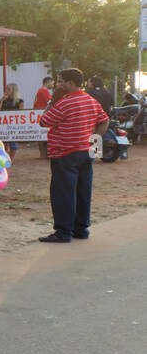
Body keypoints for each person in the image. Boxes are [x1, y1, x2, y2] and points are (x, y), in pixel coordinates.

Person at [37, 69, 110, 243]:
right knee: (83, 191)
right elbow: (104, 121)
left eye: (60, 81)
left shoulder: (63, 103)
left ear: (70, 83)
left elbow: (43, 121)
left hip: (65, 154)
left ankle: (63, 232)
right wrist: (94, 146)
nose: (57, 85)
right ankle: (81, 229)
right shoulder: (91, 101)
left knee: (63, 193)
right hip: (86, 153)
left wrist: (53, 100)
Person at [0, 83, 23, 156]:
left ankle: (11, 159)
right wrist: (1, 100)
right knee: (2, 142)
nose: (6, 90)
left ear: (13, 90)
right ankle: (4, 157)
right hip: (3, 124)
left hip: (13, 125)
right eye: (6, 89)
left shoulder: (19, 101)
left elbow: (22, 113)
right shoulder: (4, 99)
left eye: (8, 89)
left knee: (13, 143)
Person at [33, 76, 53, 157]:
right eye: (52, 83)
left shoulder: (40, 90)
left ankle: (42, 154)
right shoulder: (44, 91)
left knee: (41, 134)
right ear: (48, 82)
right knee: (42, 134)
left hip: (39, 113)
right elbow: (50, 102)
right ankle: (43, 154)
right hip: (42, 113)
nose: (52, 85)